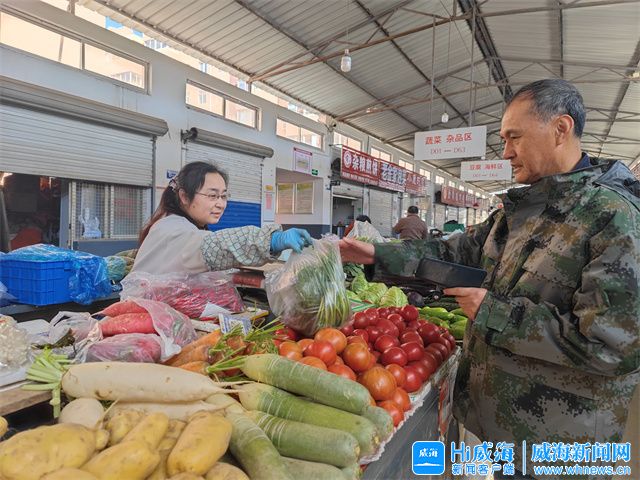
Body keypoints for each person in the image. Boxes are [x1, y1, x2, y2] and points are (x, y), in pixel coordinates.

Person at [340, 79, 640, 473]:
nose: (507, 152)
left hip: (561, 442)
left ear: (560, 129)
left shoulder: (614, 218)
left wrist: (494, 313)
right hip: (507, 428)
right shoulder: (521, 211)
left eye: (515, 137)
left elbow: (614, 347)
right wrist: (377, 253)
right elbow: (455, 253)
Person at [133, 161, 312, 274]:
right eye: (212, 196)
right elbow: (216, 245)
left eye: (223, 196)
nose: (221, 204)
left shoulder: (179, 224)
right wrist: (271, 240)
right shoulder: (172, 228)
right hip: (144, 317)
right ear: (184, 197)